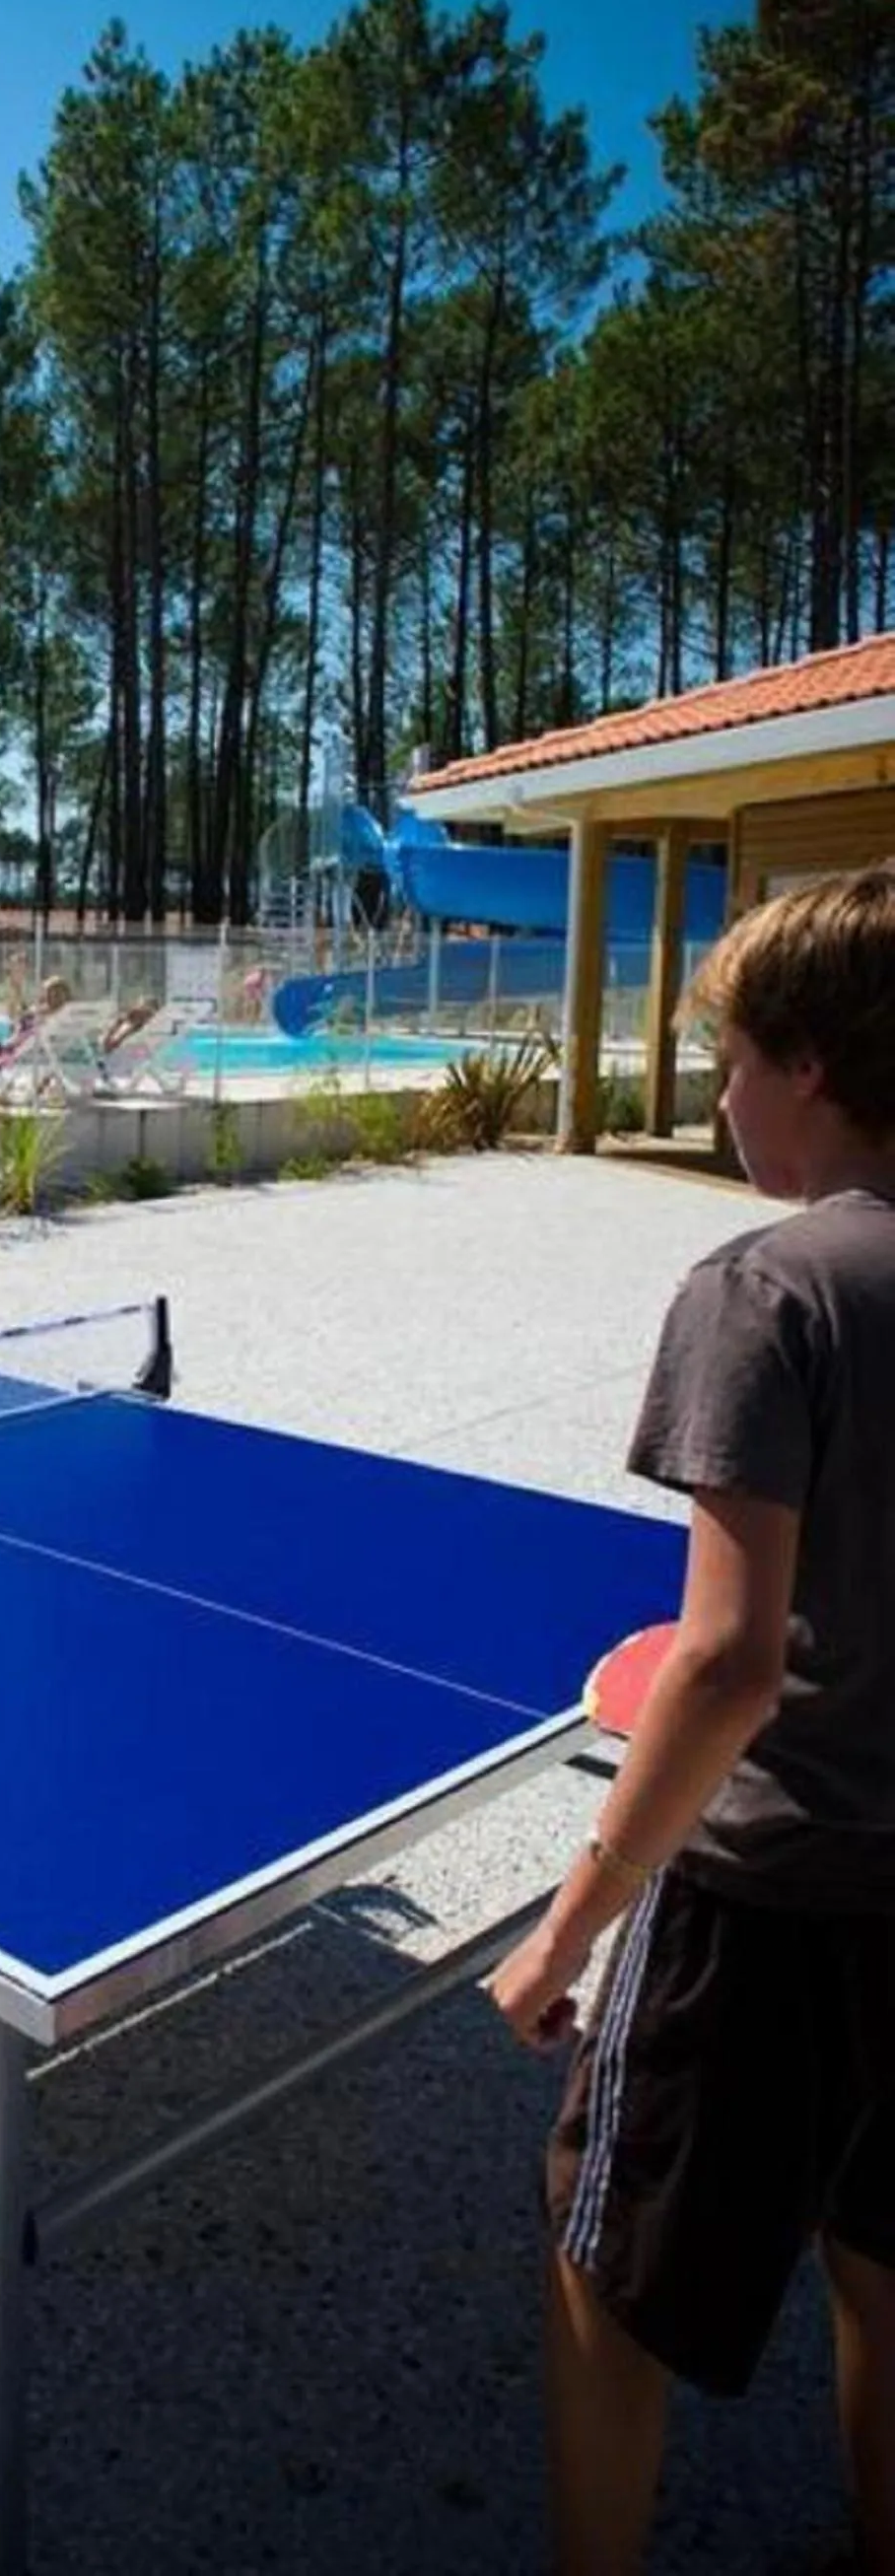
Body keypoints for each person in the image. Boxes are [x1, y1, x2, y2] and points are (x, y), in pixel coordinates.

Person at [489, 862, 895, 2576]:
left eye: (727, 1055)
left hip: (763, 1895)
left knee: (598, 2257)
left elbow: (724, 1668)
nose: (713, 1093)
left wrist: (564, 1925)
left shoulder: (762, 1292)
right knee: (877, 2249)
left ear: (804, 1064)